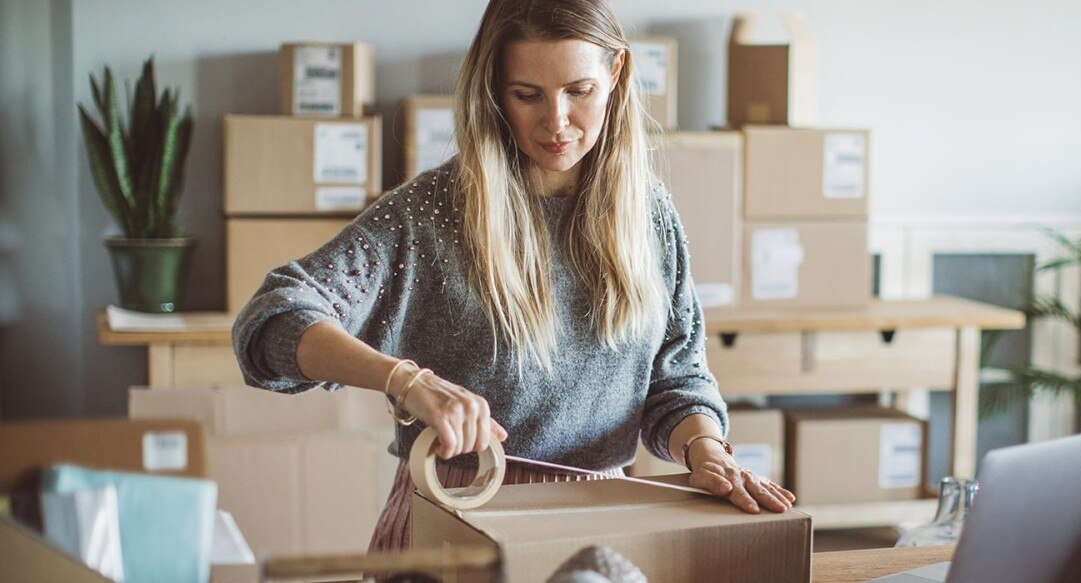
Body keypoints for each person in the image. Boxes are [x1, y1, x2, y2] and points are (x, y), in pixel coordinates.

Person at [231, 0, 795, 553]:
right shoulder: (431, 214)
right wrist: (406, 381)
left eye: (579, 91)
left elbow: (677, 377)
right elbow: (270, 320)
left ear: (616, 71)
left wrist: (707, 450)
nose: (557, 121)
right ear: (494, 89)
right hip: (458, 523)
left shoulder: (649, 215)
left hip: (603, 525)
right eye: (527, 95)